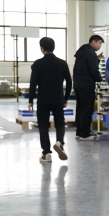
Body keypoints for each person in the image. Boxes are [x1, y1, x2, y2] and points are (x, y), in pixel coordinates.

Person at [27, 36, 73, 164]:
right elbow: (69, 82)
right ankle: (59, 142)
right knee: (60, 123)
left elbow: (33, 84)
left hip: (43, 100)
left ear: (42, 48)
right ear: (53, 48)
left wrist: (30, 100)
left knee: (43, 126)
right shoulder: (62, 63)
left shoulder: (37, 64)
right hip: (58, 99)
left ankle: (46, 153)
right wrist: (66, 98)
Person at [72, 34, 103, 141]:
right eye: (99, 43)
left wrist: (96, 59)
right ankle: (85, 134)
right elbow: (93, 70)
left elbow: (85, 66)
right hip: (86, 85)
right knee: (87, 109)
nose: (100, 46)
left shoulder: (82, 51)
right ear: (93, 42)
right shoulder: (90, 53)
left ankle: (79, 132)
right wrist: (99, 79)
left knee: (80, 109)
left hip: (78, 84)